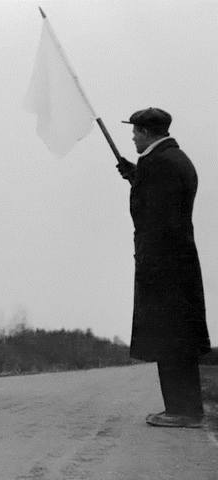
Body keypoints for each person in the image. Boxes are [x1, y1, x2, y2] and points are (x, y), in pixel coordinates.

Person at [116, 107, 211, 428]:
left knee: (171, 337)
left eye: (134, 132)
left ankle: (183, 412)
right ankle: (185, 409)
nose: (131, 137)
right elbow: (159, 204)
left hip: (164, 266)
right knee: (177, 337)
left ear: (145, 132)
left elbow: (158, 220)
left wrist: (149, 263)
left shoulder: (160, 165)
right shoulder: (172, 159)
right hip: (176, 263)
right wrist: (136, 178)